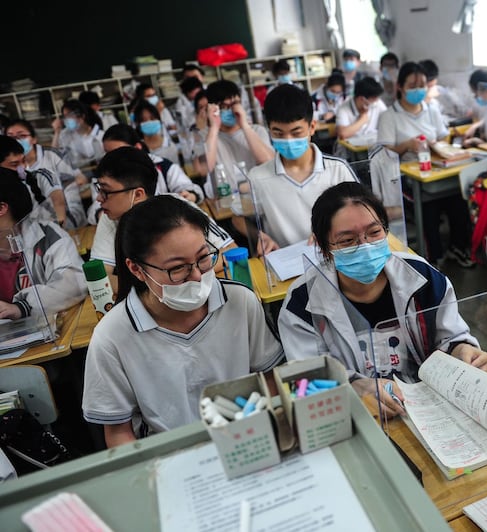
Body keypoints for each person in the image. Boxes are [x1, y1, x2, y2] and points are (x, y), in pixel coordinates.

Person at [83, 195, 283, 447]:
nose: (198, 276)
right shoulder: (111, 336)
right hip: (168, 455)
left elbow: (270, 380)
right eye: (177, 268)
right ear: (136, 269)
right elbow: (118, 432)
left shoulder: (239, 301)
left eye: (203, 257)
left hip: (245, 438)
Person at [279, 182, 487, 417]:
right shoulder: (302, 304)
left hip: (427, 406)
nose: (365, 246)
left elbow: (451, 335)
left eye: (374, 232)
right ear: (324, 247)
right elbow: (306, 381)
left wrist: (461, 350)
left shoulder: (423, 278)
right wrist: (355, 390)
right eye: (348, 240)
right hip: (356, 416)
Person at [89, 147, 233, 293]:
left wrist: (179, 279)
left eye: (106, 191)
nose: (99, 198)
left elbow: (230, 250)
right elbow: (99, 278)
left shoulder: (178, 208)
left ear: (138, 194)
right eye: (99, 189)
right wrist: (159, 285)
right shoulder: (110, 219)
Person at [237, 84, 357, 253]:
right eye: (278, 133)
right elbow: (237, 216)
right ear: (269, 131)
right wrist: (259, 236)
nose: (288, 140)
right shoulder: (258, 177)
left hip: (334, 255)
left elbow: (360, 212)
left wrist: (330, 232)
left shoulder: (337, 169)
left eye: (296, 132)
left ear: (312, 127)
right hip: (284, 264)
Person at [377, 62, 474, 268]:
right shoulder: (389, 116)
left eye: (422, 85)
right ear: (400, 87)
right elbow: (384, 153)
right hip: (405, 178)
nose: (418, 89)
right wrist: (407, 145)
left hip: (434, 171)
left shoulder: (432, 109)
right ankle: (433, 257)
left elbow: (442, 137)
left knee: (458, 199)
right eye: (412, 85)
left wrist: (435, 145)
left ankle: (457, 247)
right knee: (428, 206)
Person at [0, 168, 86, 319]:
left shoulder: (47, 237)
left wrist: (22, 306)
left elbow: (74, 283)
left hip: (47, 333)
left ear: (2, 208)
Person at [3, 123, 87, 228]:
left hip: (65, 224)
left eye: (22, 135)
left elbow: (60, 201)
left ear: (34, 138)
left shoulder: (43, 174)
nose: (22, 168)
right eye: (10, 136)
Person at [203, 80, 274, 200]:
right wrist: (214, 127)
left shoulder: (256, 131)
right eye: (224, 107)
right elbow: (205, 168)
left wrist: (244, 125)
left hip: (261, 199)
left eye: (235, 104)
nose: (231, 111)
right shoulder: (209, 137)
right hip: (228, 203)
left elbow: (269, 161)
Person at [102, 124, 203, 203]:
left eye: (118, 152)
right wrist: (101, 212)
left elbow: (189, 188)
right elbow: (95, 208)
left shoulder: (163, 166)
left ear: (137, 147)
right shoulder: (105, 175)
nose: (112, 158)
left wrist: (190, 195)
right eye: (107, 153)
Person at [51, 99, 104, 169]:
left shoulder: (99, 135)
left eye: (69, 115)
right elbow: (53, 156)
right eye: (64, 116)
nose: (66, 119)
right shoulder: (65, 134)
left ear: (82, 116)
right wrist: (57, 132)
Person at [419, 59, 469, 126]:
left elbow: (462, 109)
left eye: (431, 80)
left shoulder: (442, 91)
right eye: (426, 82)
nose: (429, 85)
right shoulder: (416, 95)